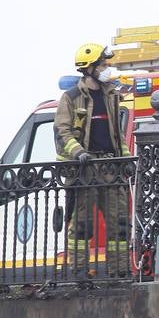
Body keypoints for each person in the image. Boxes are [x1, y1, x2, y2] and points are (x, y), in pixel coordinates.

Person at [54, 43, 131, 278]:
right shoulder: (71, 97)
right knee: (82, 226)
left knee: (119, 224)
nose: (107, 68)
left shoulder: (110, 94)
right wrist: (79, 153)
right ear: (89, 68)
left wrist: (126, 158)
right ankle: (79, 273)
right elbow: (62, 131)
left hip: (110, 167)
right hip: (84, 170)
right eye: (103, 65)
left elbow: (117, 134)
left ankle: (118, 272)